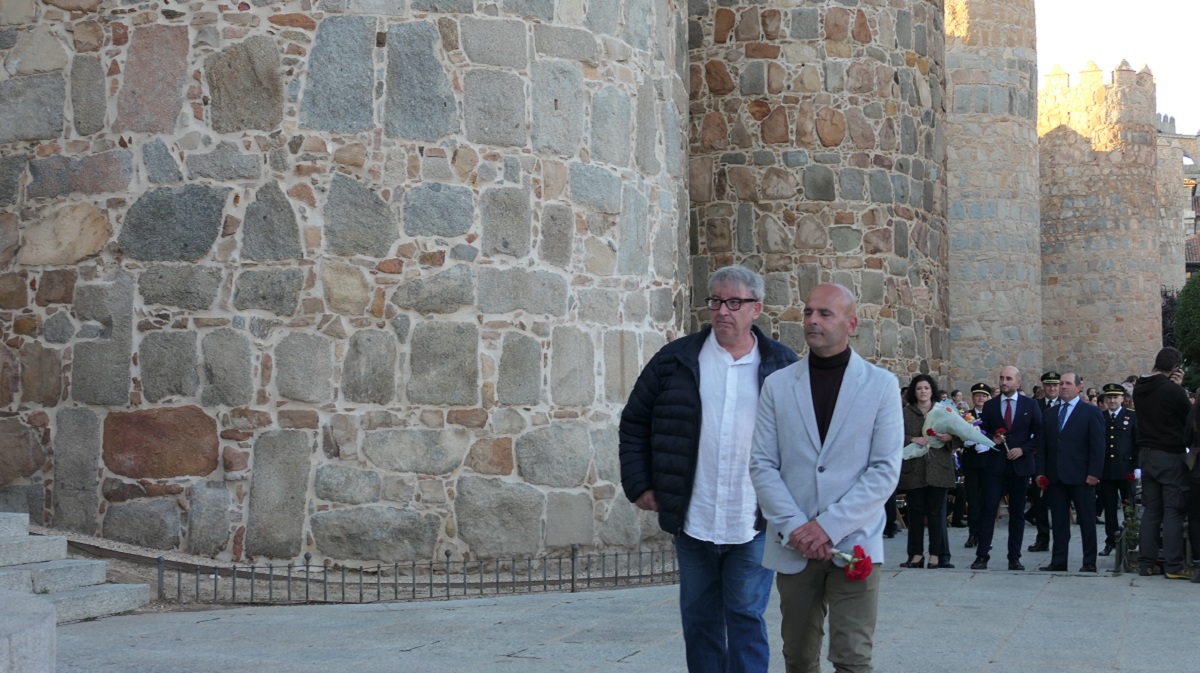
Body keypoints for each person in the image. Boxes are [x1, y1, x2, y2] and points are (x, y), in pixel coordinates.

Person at [619, 265, 798, 673]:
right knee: (699, 621)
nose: (722, 311)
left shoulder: (783, 366)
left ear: (757, 308)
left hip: (752, 520)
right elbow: (634, 422)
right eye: (716, 301)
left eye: (734, 302)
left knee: (746, 617)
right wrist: (640, 484)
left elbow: (805, 439)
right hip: (694, 518)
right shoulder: (675, 360)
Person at [750, 283, 902, 673]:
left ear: (851, 323)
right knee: (798, 656)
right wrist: (797, 527)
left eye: (824, 313)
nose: (812, 321)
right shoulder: (778, 385)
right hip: (793, 541)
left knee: (852, 656)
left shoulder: (880, 385)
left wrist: (829, 527)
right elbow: (763, 464)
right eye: (808, 312)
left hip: (854, 541)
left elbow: (884, 469)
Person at [972, 366, 1043, 571]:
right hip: (996, 466)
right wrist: (991, 439)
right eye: (1002, 378)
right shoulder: (991, 406)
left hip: (1020, 466)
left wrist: (1023, 449)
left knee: (1017, 513)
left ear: (1018, 382)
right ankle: (982, 555)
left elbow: (1039, 434)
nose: (1004, 382)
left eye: (1008, 378)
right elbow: (982, 431)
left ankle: (1014, 556)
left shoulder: (1030, 405)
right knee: (988, 509)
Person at [1131, 347, 1191, 579]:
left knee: (1151, 511)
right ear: (1175, 368)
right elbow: (1189, 416)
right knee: (1173, 511)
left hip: (1146, 454)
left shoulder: (1139, 387)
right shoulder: (1171, 390)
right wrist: (1178, 387)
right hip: (1169, 455)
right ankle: (1174, 566)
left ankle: (1147, 563)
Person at [1036, 372, 1105, 572]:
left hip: (1082, 476)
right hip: (1056, 476)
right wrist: (1040, 472)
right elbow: (1043, 446)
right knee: (1058, 520)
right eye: (1061, 384)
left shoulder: (1090, 412)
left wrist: (1094, 473)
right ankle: (1058, 560)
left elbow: (1098, 446)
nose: (1063, 387)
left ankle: (1089, 561)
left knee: (1086, 520)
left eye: (1067, 383)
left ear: (1078, 387)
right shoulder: (1050, 413)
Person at [898, 374, 957, 568]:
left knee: (936, 513)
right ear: (914, 392)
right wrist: (912, 439)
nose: (923, 391)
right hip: (915, 469)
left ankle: (935, 554)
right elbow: (894, 435)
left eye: (926, 388)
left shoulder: (943, 411)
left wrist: (950, 438)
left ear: (932, 391)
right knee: (915, 513)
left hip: (938, 468)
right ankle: (915, 554)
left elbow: (959, 435)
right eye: (919, 388)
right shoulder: (906, 413)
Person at [1098, 383, 1138, 557]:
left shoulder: (1131, 417)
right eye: (1109, 397)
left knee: (1129, 508)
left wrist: (1137, 467)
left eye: (1116, 397)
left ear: (1123, 398)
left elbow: (1137, 443)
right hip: (1107, 471)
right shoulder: (1100, 416)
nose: (1112, 400)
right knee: (1109, 509)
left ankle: (1130, 541)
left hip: (1126, 470)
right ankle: (1111, 542)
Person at [1026, 371, 1062, 553]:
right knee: (1039, 503)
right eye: (1049, 385)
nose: (1052, 388)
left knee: (1059, 503)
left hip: (1060, 460)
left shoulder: (1065, 405)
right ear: (1043, 387)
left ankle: (1060, 541)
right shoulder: (1035, 405)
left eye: (1055, 385)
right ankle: (1042, 538)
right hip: (1039, 459)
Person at [960, 383, 992, 549]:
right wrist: (965, 441)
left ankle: (985, 535)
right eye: (978, 395)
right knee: (972, 499)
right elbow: (957, 433)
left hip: (988, 463)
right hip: (971, 462)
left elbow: (998, 433)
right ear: (972, 398)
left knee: (987, 500)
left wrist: (989, 443)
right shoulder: (966, 415)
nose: (981, 398)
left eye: (984, 396)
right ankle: (973, 533)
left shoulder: (991, 414)